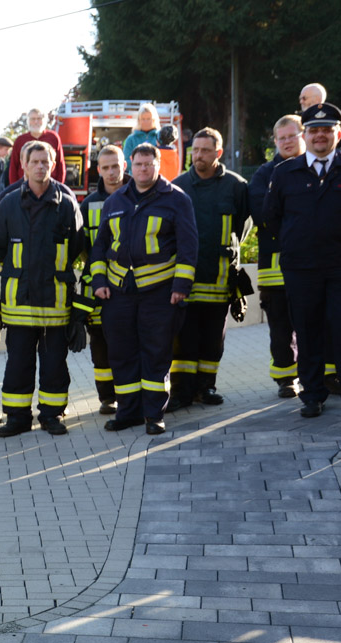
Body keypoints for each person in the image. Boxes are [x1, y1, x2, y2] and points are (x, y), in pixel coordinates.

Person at [264, 102, 341, 417]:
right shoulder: (285, 173)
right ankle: (313, 394)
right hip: (301, 268)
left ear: (338, 134)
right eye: (314, 130)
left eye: (327, 129)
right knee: (307, 330)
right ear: (306, 135)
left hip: (340, 265)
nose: (320, 135)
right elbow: (272, 217)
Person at [90, 144, 198, 435]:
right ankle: (128, 413)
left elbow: (189, 246)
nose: (143, 169)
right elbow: (100, 246)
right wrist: (99, 282)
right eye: (138, 165)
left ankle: (154, 415)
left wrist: (181, 286)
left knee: (155, 354)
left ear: (158, 164)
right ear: (130, 166)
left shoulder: (177, 200)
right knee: (121, 355)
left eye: (148, 164)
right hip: (119, 294)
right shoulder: (115, 201)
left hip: (159, 293)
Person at [0, 140, 84, 438]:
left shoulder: (67, 204)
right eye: (35, 162)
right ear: (24, 164)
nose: (41, 166)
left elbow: (77, 247)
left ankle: (52, 415)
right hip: (19, 302)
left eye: (46, 162)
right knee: (18, 363)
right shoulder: (8, 204)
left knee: (54, 363)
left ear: (54, 164)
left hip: (55, 302)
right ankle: (17, 419)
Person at [168, 127, 250, 411]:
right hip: (186, 280)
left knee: (214, 339)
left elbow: (243, 226)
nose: (198, 155)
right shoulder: (177, 186)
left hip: (219, 278)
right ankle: (181, 392)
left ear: (218, 153)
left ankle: (206, 387)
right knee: (183, 339)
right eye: (195, 150)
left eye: (205, 150)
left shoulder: (236, 186)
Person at [249, 116, 306, 397]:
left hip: (312, 265)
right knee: (281, 329)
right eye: (281, 138)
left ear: (302, 135)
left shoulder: (316, 167)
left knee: (316, 321)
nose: (286, 142)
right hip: (275, 269)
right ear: (275, 141)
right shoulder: (263, 174)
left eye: (291, 136)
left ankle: (321, 375)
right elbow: (263, 215)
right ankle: (286, 378)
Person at [78, 145, 127, 414]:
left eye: (115, 166)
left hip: (130, 285)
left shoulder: (137, 196)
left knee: (129, 341)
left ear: (124, 166)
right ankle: (107, 398)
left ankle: (129, 394)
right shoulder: (88, 205)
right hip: (98, 287)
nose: (111, 172)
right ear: (98, 170)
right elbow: (84, 247)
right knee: (100, 343)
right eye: (106, 167)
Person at [8, 109, 65, 185]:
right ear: (28, 121)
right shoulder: (20, 140)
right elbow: (13, 166)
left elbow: (60, 164)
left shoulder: (53, 138)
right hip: (24, 186)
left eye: (39, 119)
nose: (36, 122)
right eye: (33, 119)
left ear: (44, 120)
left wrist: (59, 186)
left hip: (49, 186)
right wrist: (15, 188)